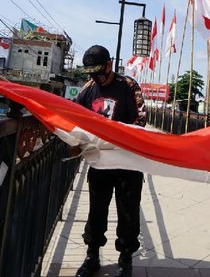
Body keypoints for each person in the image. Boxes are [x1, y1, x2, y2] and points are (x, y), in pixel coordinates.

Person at [73, 45, 146, 277]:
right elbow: (73, 114)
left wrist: (113, 134)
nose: (96, 77)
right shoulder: (88, 89)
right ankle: (92, 256)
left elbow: (141, 120)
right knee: (96, 211)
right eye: (91, 73)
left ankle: (125, 260)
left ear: (109, 65)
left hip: (127, 163)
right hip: (100, 163)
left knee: (127, 213)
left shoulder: (128, 86)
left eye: (99, 72)